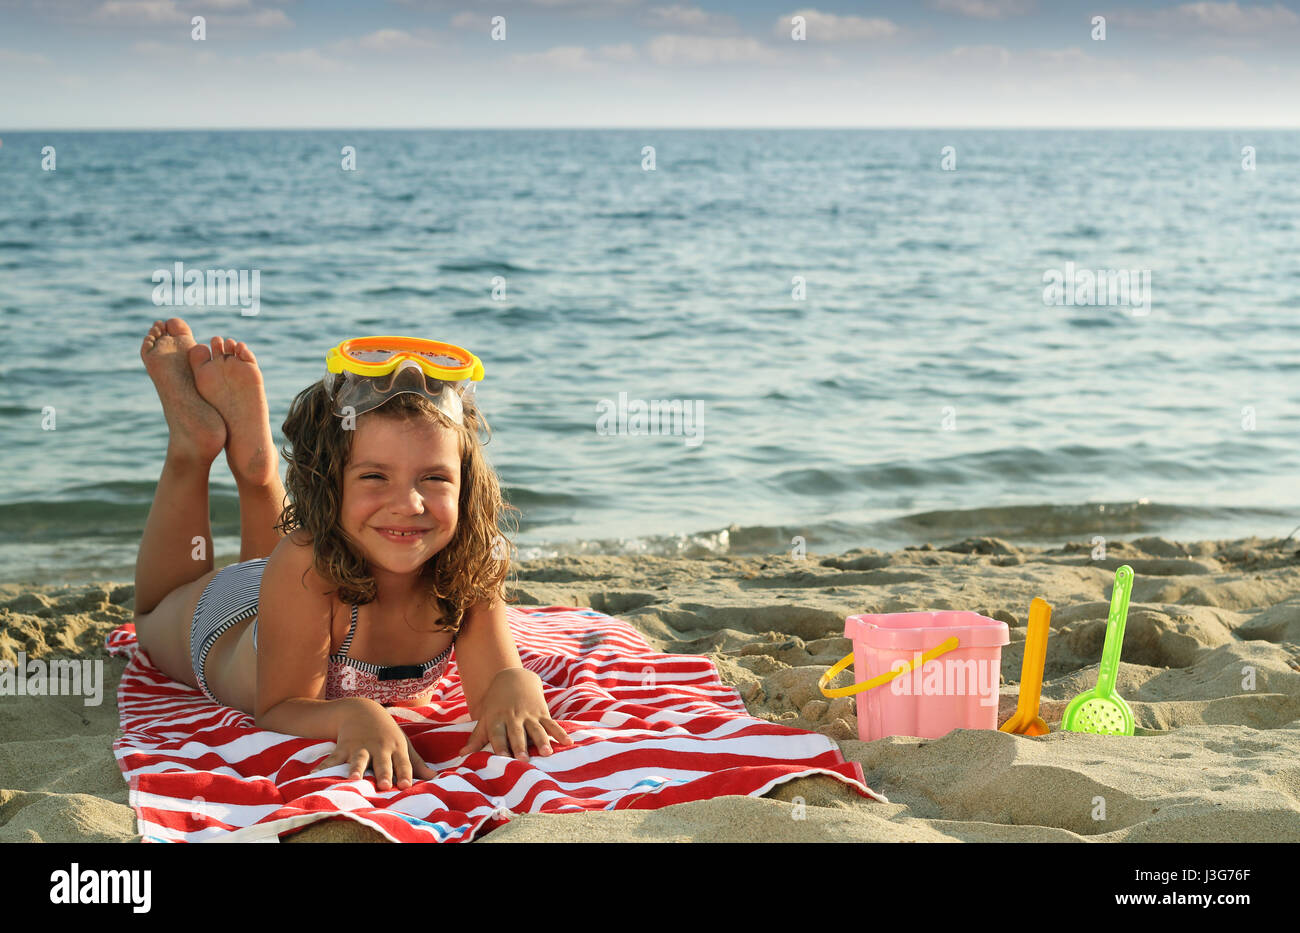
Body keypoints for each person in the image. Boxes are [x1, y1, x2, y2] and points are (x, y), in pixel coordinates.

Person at [131, 318, 572, 793]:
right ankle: (191, 448)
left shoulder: (467, 567)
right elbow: (279, 707)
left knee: (283, 563)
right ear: (328, 482)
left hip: (288, 599)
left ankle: (258, 471)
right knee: (153, 614)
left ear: (466, 488)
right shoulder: (306, 560)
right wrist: (354, 714)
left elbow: (495, 686)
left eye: (435, 478)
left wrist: (516, 684)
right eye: (375, 477)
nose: (409, 504)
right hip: (222, 621)